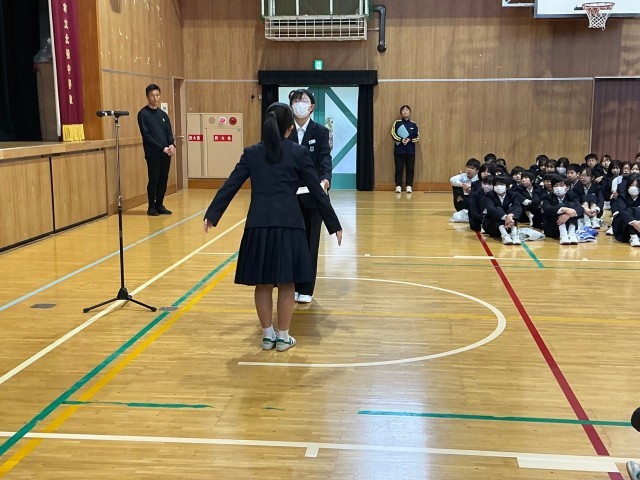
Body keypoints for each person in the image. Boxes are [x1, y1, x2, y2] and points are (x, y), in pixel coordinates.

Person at [203, 102, 343, 351]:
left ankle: (267, 335)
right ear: (290, 128)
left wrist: (213, 214)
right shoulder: (299, 153)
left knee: (263, 283)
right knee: (287, 284)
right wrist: (334, 224)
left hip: (258, 225)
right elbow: (316, 189)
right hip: (290, 224)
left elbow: (231, 184)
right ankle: (283, 337)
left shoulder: (252, 152)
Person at [288, 89, 333, 304]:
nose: (299, 104)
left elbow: (325, 158)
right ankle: (290, 286)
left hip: (312, 194)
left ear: (311, 106)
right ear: (290, 106)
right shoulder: (284, 130)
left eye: (303, 100)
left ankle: (306, 288)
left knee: (310, 242)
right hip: (288, 195)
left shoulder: (321, 131)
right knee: (290, 243)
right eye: (295, 100)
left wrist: (325, 179)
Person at [137, 84, 175, 216]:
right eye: (152, 95)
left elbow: (168, 132)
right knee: (154, 179)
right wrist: (162, 148)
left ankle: (160, 204)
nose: (155, 98)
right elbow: (146, 135)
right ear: (147, 96)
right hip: (153, 153)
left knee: (163, 179)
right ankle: (151, 206)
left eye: (157, 95)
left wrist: (171, 145)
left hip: (166, 153)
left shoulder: (163, 114)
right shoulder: (143, 114)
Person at [391, 105, 420, 193]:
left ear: (410, 112)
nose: (405, 111)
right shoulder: (397, 123)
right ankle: (398, 186)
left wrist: (409, 140)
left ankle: (409, 186)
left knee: (410, 169)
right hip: (399, 150)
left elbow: (417, 136)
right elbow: (393, 134)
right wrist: (401, 139)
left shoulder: (414, 124)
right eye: (403, 110)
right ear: (401, 113)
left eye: (407, 110)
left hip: (410, 150)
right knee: (399, 169)